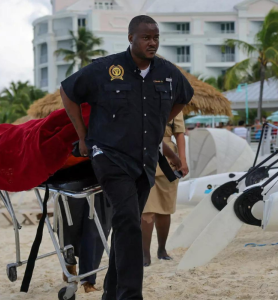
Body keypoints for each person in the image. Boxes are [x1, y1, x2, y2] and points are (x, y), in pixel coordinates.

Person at [60, 15, 194, 299]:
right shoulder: (105, 69)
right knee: (129, 221)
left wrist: (159, 125)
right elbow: (67, 90)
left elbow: (185, 96)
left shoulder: (168, 73)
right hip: (109, 156)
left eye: (156, 37)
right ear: (131, 38)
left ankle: (112, 293)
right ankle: (131, 295)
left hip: (144, 161)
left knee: (125, 226)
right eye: (146, 37)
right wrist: (83, 136)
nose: (152, 42)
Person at [141, 113, 188, 267]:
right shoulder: (143, 99)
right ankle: (145, 254)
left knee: (165, 208)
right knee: (147, 210)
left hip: (168, 161)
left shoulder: (175, 105)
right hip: (146, 155)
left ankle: (161, 250)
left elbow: (180, 135)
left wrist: (183, 161)